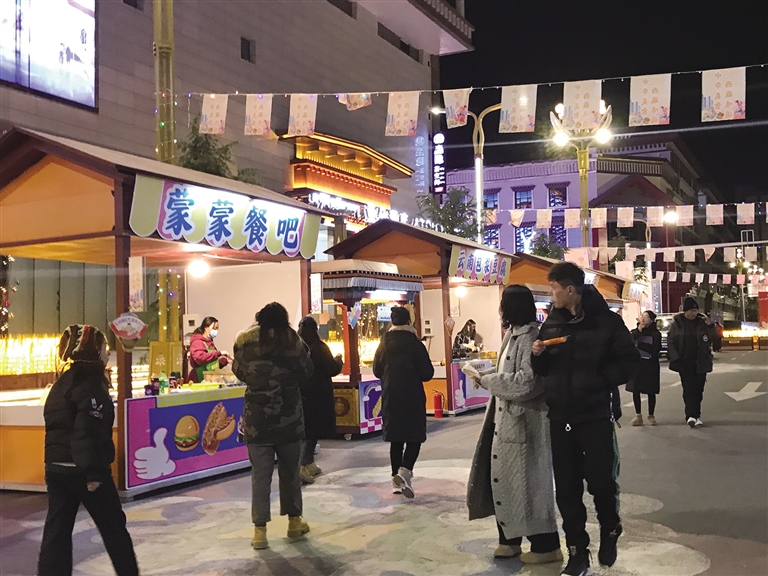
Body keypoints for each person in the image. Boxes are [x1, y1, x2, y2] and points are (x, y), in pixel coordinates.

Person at [531, 262, 639, 576]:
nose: (550, 293)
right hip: (559, 417)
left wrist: (599, 381)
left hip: (594, 416)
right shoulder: (551, 323)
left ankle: (610, 527)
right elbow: (544, 370)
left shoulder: (606, 321)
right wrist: (537, 356)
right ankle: (577, 552)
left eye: (553, 288)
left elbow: (630, 361)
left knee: (601, 483)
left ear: (570, 290)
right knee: (566, 490)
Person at [467, 285, 562, 564]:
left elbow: (527, 382)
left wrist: (487, 380)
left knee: (529, 485)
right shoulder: (513, 334)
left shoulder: (530, 336)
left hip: (525, 423)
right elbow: (508, 372)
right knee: (505, 482)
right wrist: (485, 375)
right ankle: (509, 539)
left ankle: (546, 546)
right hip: (506, 420)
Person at [38, 325, 139, 576]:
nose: (107, 353)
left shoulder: (61, 384)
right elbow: (88, 430)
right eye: (104, 348)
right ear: (93, 351)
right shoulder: (92, 385)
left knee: (57, 531)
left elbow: (55, 426)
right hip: (85, 470)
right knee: (113, 528)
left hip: (56, 468)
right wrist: (94, 473)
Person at [232, 303, 313, 550]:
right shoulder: (293, 342)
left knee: (260, 476)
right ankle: (294, 522)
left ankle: (260, 532)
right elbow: (307, 370)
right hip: (289, 419)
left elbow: (239, 372)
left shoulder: (245, 344)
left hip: (257, 421)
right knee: (290, 473)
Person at [373, 306, 434, 498]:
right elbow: (427, 373)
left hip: (391, 395)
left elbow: (376, 370)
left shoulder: (383, 343)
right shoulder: (415, 344)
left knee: (396, 439)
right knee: (415, 437)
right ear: (409, 321)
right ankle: (405, 471)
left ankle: (395, 481)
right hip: (412, 396)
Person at [296, 315, 343, 485]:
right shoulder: (320, 347)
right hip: (319, 394)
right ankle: (302, 464)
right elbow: (331, 368)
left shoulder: (297, 348)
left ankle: (309, 462)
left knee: (306, 429)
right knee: (313, 430)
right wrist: (338, 360)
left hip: (301, 394)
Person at [666, 297, 718, 428]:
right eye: (691, 310)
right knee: (688, 389)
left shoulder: (702, 323)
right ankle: (690, 415)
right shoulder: (677, 324)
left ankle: (696, 415)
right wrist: (676, 358)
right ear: (685, 311)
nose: (694, 313)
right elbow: (671, 342)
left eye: (696, 311)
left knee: (699, 390)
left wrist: (710, 325)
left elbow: (715, 339)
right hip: (684, 362)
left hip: (700, 361)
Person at [628, 311, 662, 426]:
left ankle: (651, 415)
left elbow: (655, 349)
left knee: (650, 391)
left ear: (651, 320)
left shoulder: (656, 334)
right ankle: (638, 415)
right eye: (642, 316)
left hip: (650, 365)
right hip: (637, 364)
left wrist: (639, 345)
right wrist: (639, 331)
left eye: (646, 317)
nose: (643, 318)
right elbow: (630, 343)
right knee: (635, 390)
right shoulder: (635, 332)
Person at [188, 316, 230, 383]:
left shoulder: (210, 343)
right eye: (214, 328)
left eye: (217, 328)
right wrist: (219, 353)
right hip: (199, 380)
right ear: (205, 327)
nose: (216, 331)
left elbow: (211, 364)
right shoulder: (197, 342)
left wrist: (225, 361)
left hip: (209, 381)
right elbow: (200, 358)